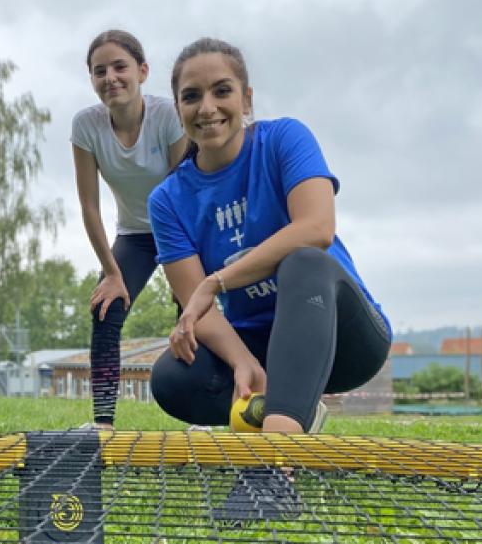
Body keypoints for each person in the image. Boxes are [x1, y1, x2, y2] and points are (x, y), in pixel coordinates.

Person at [147, 38, 391, 520]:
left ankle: (272, 469)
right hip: (262, 346)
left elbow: (317, 229)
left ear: (248, 99)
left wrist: (216, 281)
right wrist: (241, 362)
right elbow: (198, 310)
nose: (208, 107)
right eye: (192, 96)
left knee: (302, 261)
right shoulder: (168, 199)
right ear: (178, 109)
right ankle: (289, 411)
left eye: (223, 91)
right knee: (172, 378)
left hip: (343, 336)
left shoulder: (284, 139)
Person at [71, 30, 186, 429]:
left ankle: (202, 418)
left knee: (193, 312)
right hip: (134, 235)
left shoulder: (168, 116)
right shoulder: (86, 126)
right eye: (99, 71)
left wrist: (181, 269)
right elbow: (89, 205)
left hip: (181, 228)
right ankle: (103, 421)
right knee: (106, 310)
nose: (110, 78)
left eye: (120, 67)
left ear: (142, 71)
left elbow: (183, 190)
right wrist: (112, 273)